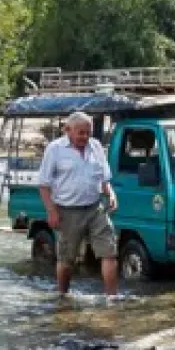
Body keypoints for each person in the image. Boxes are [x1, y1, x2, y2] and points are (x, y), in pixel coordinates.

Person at [36, 111, 120, 297]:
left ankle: (112, 298)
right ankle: (63, 295)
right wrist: (51, 211)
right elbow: (43, 184)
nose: (85, 137)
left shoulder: (96, 146)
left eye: (88, 132)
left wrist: (111, 193)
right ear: (67, 130)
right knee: (67, 260)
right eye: (80, 132)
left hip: (95, 208)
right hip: (67, 211)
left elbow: (103, 177)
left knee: (109, 252)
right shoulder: (55, 149)